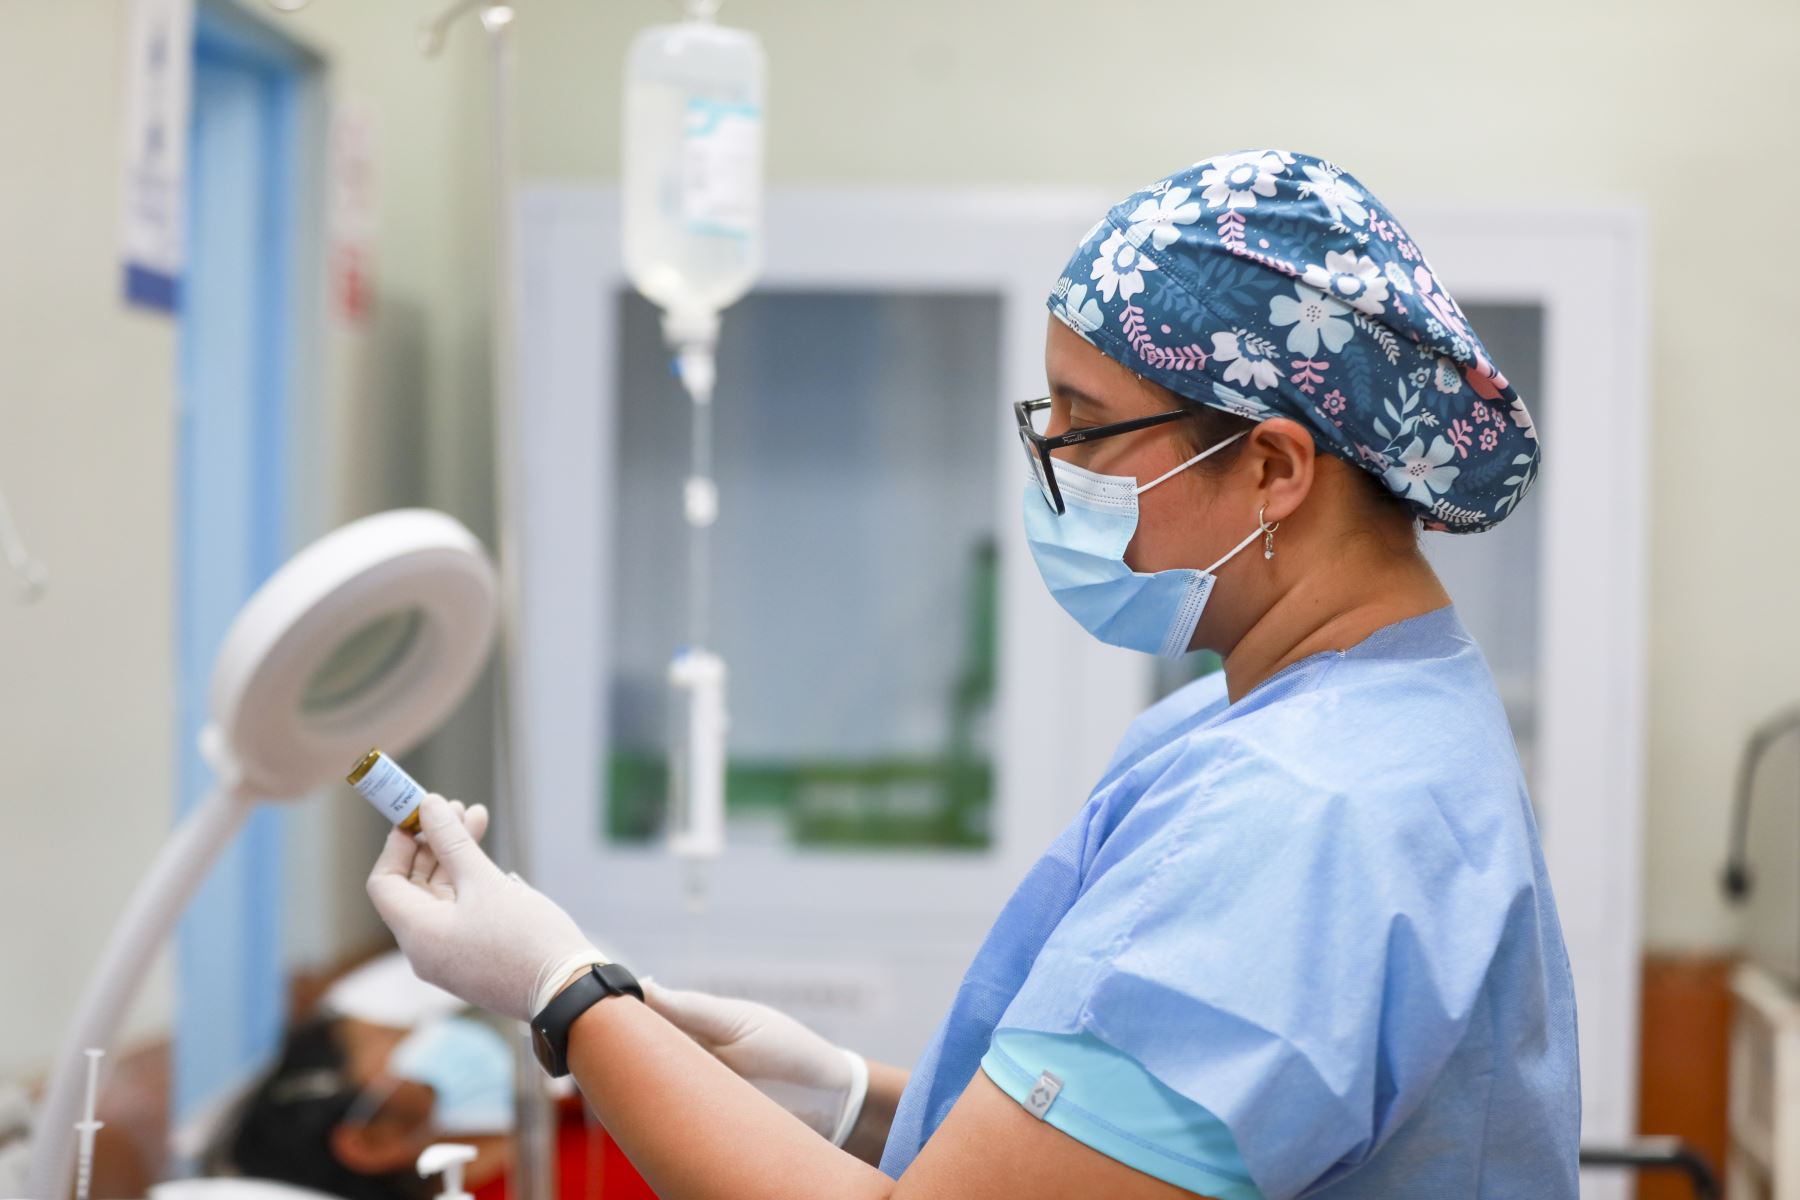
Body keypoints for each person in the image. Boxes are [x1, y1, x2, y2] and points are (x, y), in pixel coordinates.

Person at [366, 149, 1578, 1199]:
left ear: (1273, 468)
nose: (1051, 463)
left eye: (1085, 424)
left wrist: (563, 991)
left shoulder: (1305, 818)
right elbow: (1125, 1144)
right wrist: (843, 1092)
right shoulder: (1354, 715)